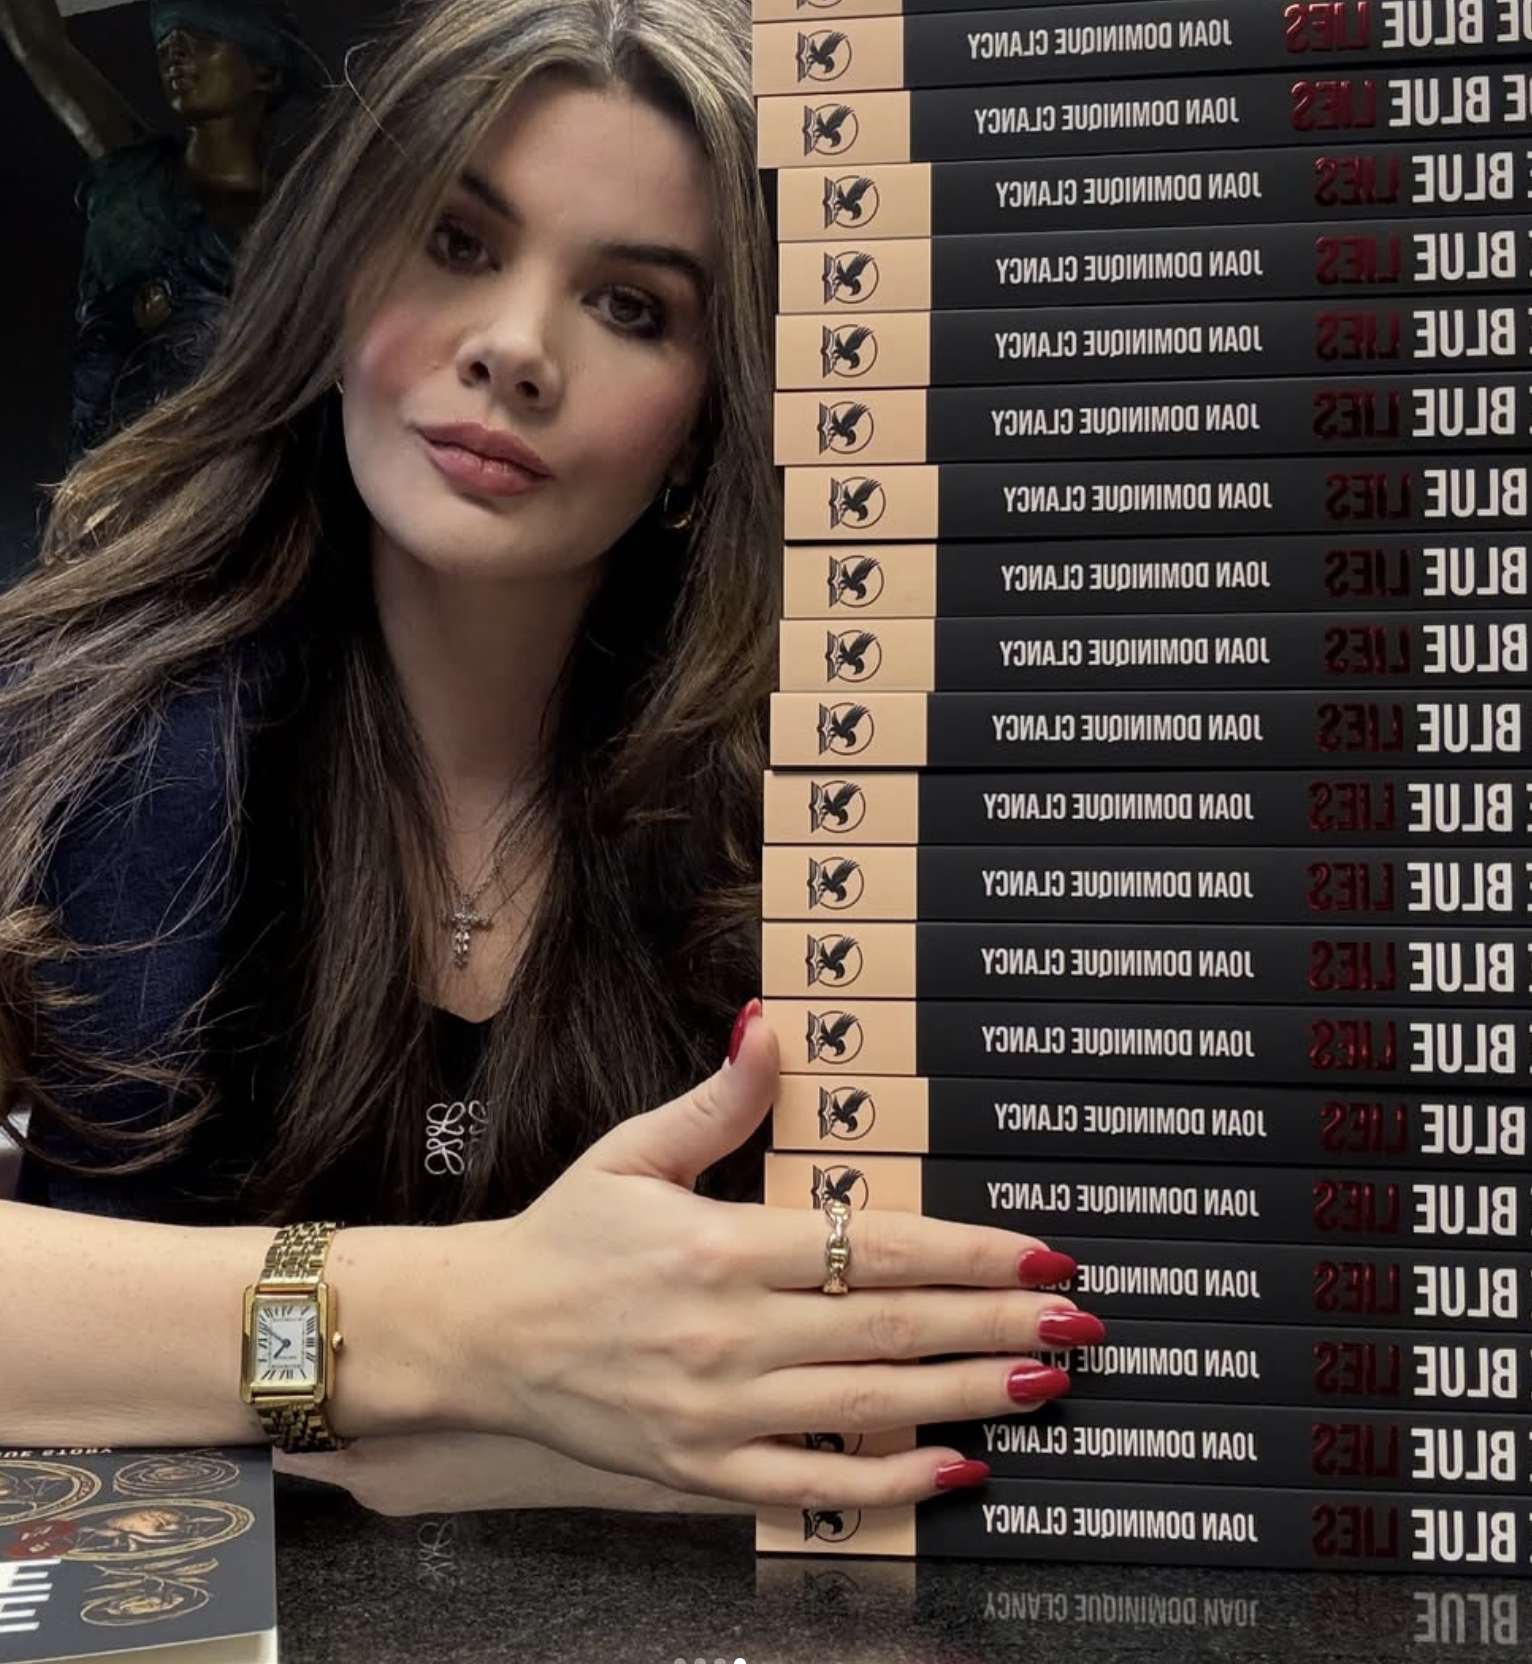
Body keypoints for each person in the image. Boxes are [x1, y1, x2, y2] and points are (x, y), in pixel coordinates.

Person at [0, 0, 1101, 1519]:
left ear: (715, 414)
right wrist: (480, 1332)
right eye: (458, 242)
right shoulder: (56, 730)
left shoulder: (835, 814)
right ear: (332, 280)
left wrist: (349, 1432)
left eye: (633, 308)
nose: (515, 348)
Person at [0, 0, 325, 459]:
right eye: (167, 40)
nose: (176, 52)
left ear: (265, 73)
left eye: (203, 39)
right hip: (102, 493)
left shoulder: (302, 223)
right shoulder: (134, 168)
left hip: (227, 494)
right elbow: (40, 43)